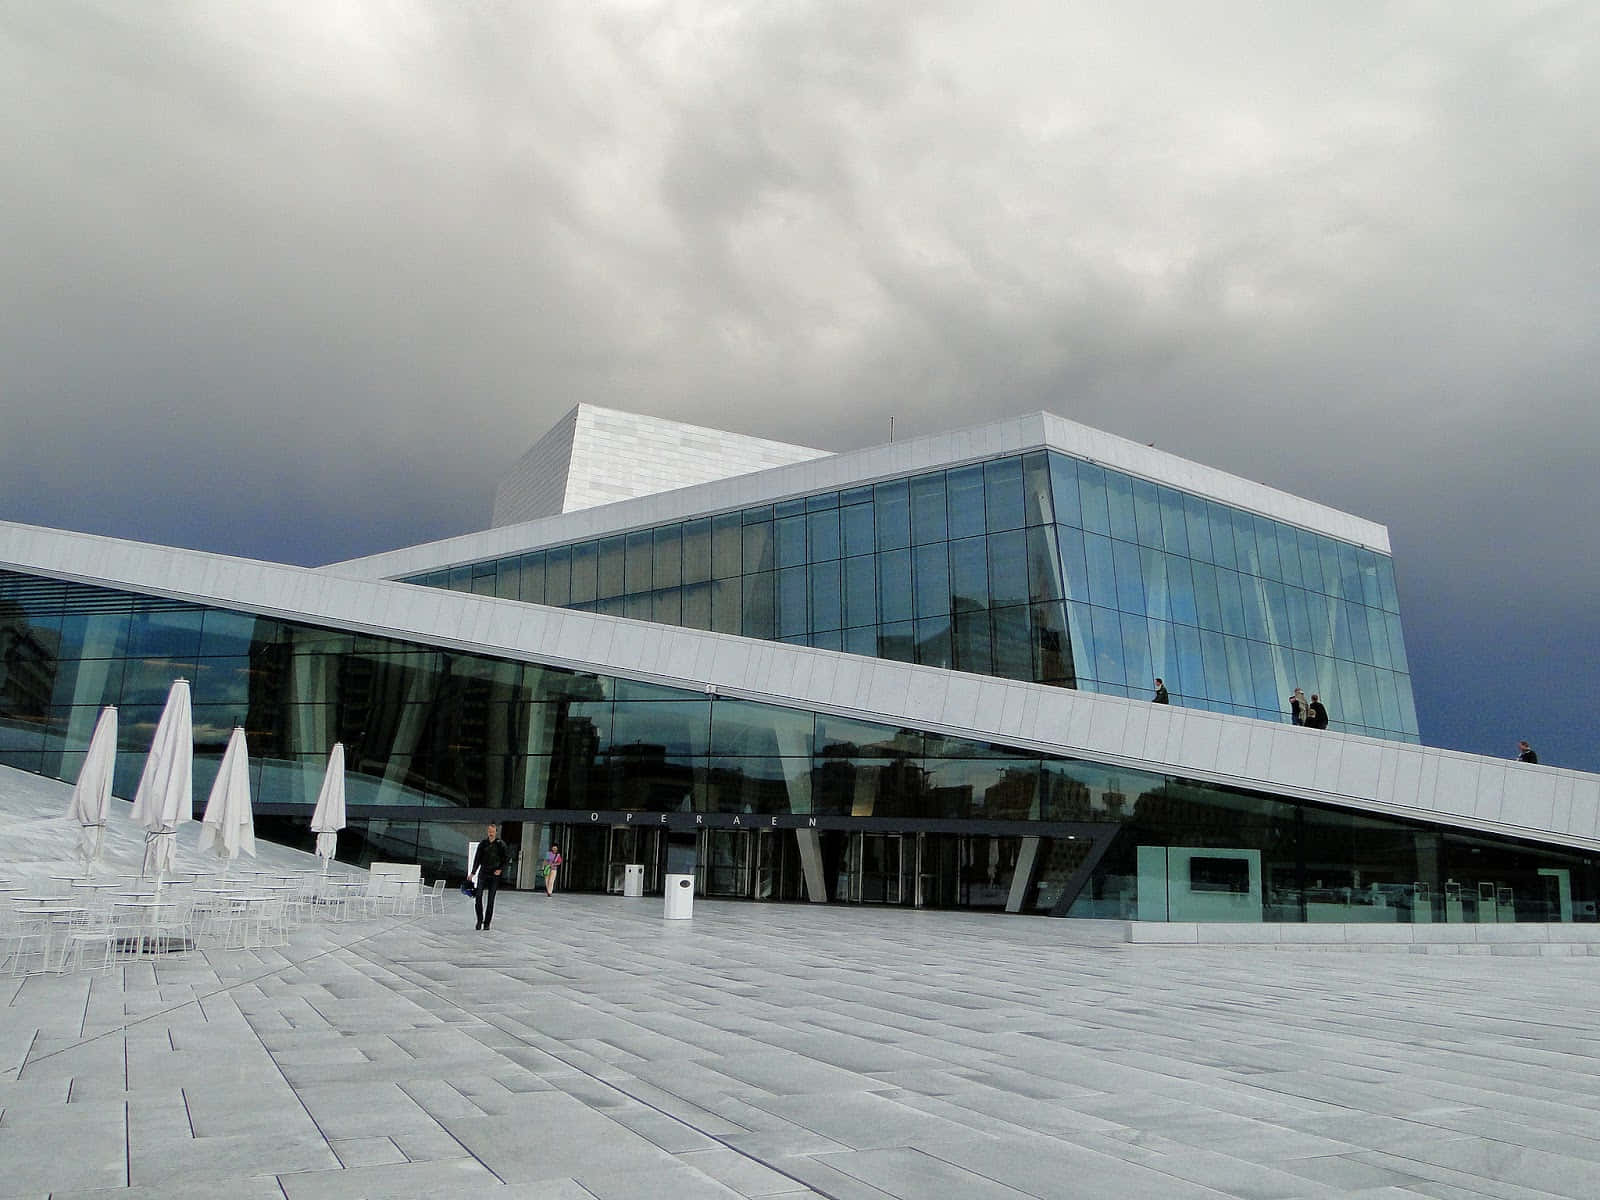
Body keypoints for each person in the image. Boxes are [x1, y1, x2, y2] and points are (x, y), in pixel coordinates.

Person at [472, 823, 508, 930]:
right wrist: (473, 872)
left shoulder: (500, 844)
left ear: (496, 832)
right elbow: (477, 858)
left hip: (494, 874)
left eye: (493, 831)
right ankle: (479, 920)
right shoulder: (483, 844)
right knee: (478, 896)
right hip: (483, 872)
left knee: (490, 899)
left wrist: (500, 869)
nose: (491, 833)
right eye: (489, 831)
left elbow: (505, 859)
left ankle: (487, 922)